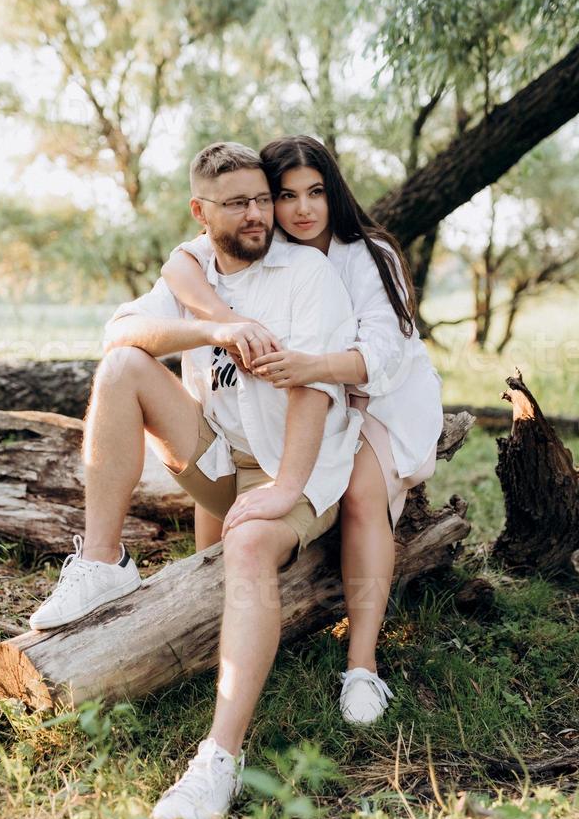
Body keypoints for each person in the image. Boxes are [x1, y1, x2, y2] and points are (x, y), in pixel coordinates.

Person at [29, 141, 363, 819]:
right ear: (199, 211)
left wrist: (285, 487)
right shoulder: (196, 269)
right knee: (123, 367)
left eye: (262, 199)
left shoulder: (307, 274)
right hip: (223, 459)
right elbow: (120, 328)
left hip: (298, 472)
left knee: (246, 549)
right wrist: (216, 323)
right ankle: (102, 565)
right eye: (238, 203)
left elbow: (315, 391)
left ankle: (218, 758)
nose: (257, 214)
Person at [161, 134, 443, 728]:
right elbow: (181, 263)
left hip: (381, 398)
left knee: (362, 491)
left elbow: (382, 355)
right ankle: (211, 613)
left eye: (315, 192)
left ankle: (362, 665)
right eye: (285, 195)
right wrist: (223, 319)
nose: (302, 209)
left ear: (333, 192)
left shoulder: (367, 254)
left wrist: (310, 366)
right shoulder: (266, 240)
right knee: (232, 454)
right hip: (309, 399)